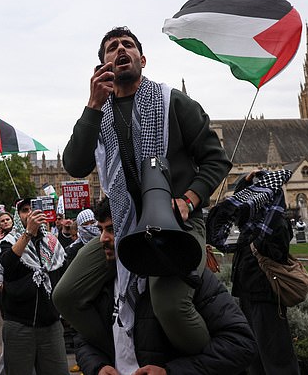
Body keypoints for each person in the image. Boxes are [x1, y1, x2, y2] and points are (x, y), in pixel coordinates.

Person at [58, 26, 232, 354]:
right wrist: (93, 104)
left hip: (175, 222)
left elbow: (215, 160)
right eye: (111, 47)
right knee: (65, 295)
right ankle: (125, 352)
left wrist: (188, 200)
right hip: (124, 225)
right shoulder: (99, 114)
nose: (120, 49)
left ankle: (207, 362)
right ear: (102, 67)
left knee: (169, 306)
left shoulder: (173, 102)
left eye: (128, 45)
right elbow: (75, 165)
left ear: (142, 58)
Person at [72, 197, 256, 375]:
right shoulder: (103, 281)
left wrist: (172, 371)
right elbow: (84, 338)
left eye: (112, 229)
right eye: (101, 230)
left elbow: (240, 344)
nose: (103, 239)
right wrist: (98, 366)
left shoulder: (185, 276)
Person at [207, 170, 300, 374]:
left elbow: (276, 250)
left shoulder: (276, 223)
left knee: (276, 355)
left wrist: (259, 237)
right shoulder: (252, 223)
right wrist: (245, 181)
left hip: (265, 295)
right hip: (247, 293)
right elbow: (241, 204)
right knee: (253, 353)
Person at [0, 198, 68, 375]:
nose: (29, 213)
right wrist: (28, 232)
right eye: (24, 210)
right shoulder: (9, 241)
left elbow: (64, 270)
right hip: (19, 325)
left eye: (33, 209)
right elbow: (8, 264)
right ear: (17, 215)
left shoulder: (51, 242)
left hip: (50, 325)